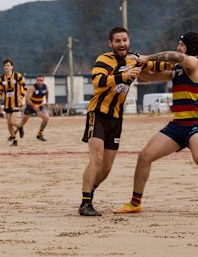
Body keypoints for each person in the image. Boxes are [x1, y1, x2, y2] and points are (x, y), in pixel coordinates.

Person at [79, 27, 169, 216]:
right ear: (110, 43)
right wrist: (123, 76)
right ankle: (85, 203)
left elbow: (160, 64)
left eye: (124, 40)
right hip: (98, 113)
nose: (122, 44)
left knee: (107, 167)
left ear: (129, 41)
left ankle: (90, 192)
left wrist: (183, 62)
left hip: (116, 118)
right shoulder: (103, 59)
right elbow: (97, 82)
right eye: (117, 41)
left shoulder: (134, 59)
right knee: (96, 159)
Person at [114, 32, 198, 214]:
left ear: (191, 48)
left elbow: (174, 56)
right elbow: (149, 77)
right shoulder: (178, 70)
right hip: (178, 126)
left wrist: (144, 57)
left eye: (181, 44)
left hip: (196, 125)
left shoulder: (194, 62)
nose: (178, 47)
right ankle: (135, 203)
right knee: (145, 156)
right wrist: (134, 65)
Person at [0, 58, 27, 146]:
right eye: (5, 66)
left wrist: (21, 96)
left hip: (16, 103)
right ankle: (14, 141)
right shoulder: (2, 79)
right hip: (7, 103)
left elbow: (25, 87)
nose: (6, 67)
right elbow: (0, 90)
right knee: (9, 124)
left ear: (12, 67)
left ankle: (20, 127)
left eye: (8, 65)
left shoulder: (17, 76)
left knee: (13, 122)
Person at [18, 75, 50, 141]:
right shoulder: (32, 88)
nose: (39, 82)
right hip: (30, 106)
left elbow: (47, 93)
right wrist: (33, 106)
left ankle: (39, 134)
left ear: (43, 81)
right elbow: (27, 99)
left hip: (39, 106)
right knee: (22, 123)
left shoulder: (45, 87)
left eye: (41, 80)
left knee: (46, 118)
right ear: (36, 80)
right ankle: (13, 135)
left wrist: (47, 101)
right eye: (38, 80)